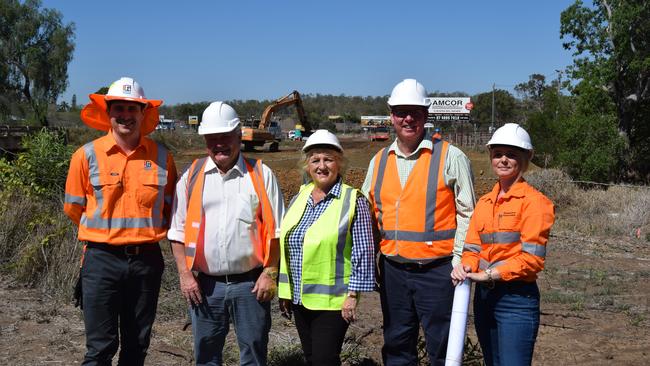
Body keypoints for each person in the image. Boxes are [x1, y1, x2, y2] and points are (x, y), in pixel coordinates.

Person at [63, 76, 177, 365]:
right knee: (100, 348)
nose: (126, 115)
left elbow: (170, 208)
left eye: (132, 109)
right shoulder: (86, 156)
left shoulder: (163, 157)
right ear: (109, 113)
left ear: (143, 113)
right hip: (101, 260)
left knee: (137, 346)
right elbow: (73, 208)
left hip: (146, 261)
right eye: (119, 109)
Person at [361, 78, 476, 365]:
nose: (408, 118)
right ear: (391, 116)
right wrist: (367, 262)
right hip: (393, 272)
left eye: (415, 111)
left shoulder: (451, 157)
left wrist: (460, 260)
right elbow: (367, 216)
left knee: (442, 345)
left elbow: (468, 213)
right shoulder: (378, 162)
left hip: (438, 272)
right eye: (401, 111)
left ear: (426, 115)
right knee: (397, 344)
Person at [167, 101, 285, 366]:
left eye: (225, 137)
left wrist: (270, 273)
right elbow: (177, 232)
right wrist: (186, 276)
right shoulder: (192, 176)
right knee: (206, 354)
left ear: (238, 135)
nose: (219, 144)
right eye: (212, 138)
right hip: (206, 285)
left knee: (254, 353)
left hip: (251, 284)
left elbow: (278, 230)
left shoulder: (261, 174)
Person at [451, 123, 554, 366]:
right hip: (485, 299)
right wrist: (465, 266)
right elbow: (472, 248)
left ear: (526, 158)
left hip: (516, 299)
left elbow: (532, 260)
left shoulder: (535, 203)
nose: (503, 160)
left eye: (511, 155)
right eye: (498, 154)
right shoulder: (485, 202)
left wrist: (488, 275)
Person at [278, 130, 375, 366]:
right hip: (299, 298)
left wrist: (352, 296)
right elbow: (289, 244)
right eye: (315, 160)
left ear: (339, 164)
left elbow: (363, 251)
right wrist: (285, 292)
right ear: (307, 166)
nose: (322, 166)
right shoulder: (299, 197)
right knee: (311, 358)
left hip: (334, 302)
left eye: (328, 159)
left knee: (324, 360)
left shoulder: (354, 200)